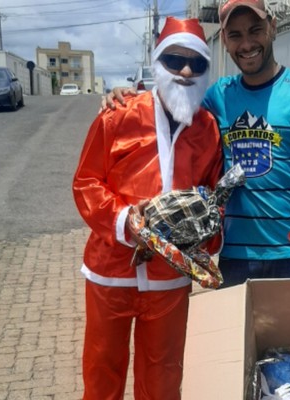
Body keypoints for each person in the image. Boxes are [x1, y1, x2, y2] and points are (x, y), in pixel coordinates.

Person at [102, 0, 290, 288]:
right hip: (237, 256)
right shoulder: (217, 97)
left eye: (255, 30)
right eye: (235, 35)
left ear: (272, 27)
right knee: (237, 335)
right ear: (224, 41)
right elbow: (168, 105)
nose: (247, 43)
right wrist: (129, 98)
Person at [72, 17, 223, 400]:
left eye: (197, 63)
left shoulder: (208, 128)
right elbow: (86, 182)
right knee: (102, 373)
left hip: (169, 278)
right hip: (111, 271)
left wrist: (206, 233)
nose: (186, 70)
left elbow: (214, 197)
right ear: (157, 63)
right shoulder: (117, 114)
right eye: (174, 60)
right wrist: (124, 221)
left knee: (164, 378)